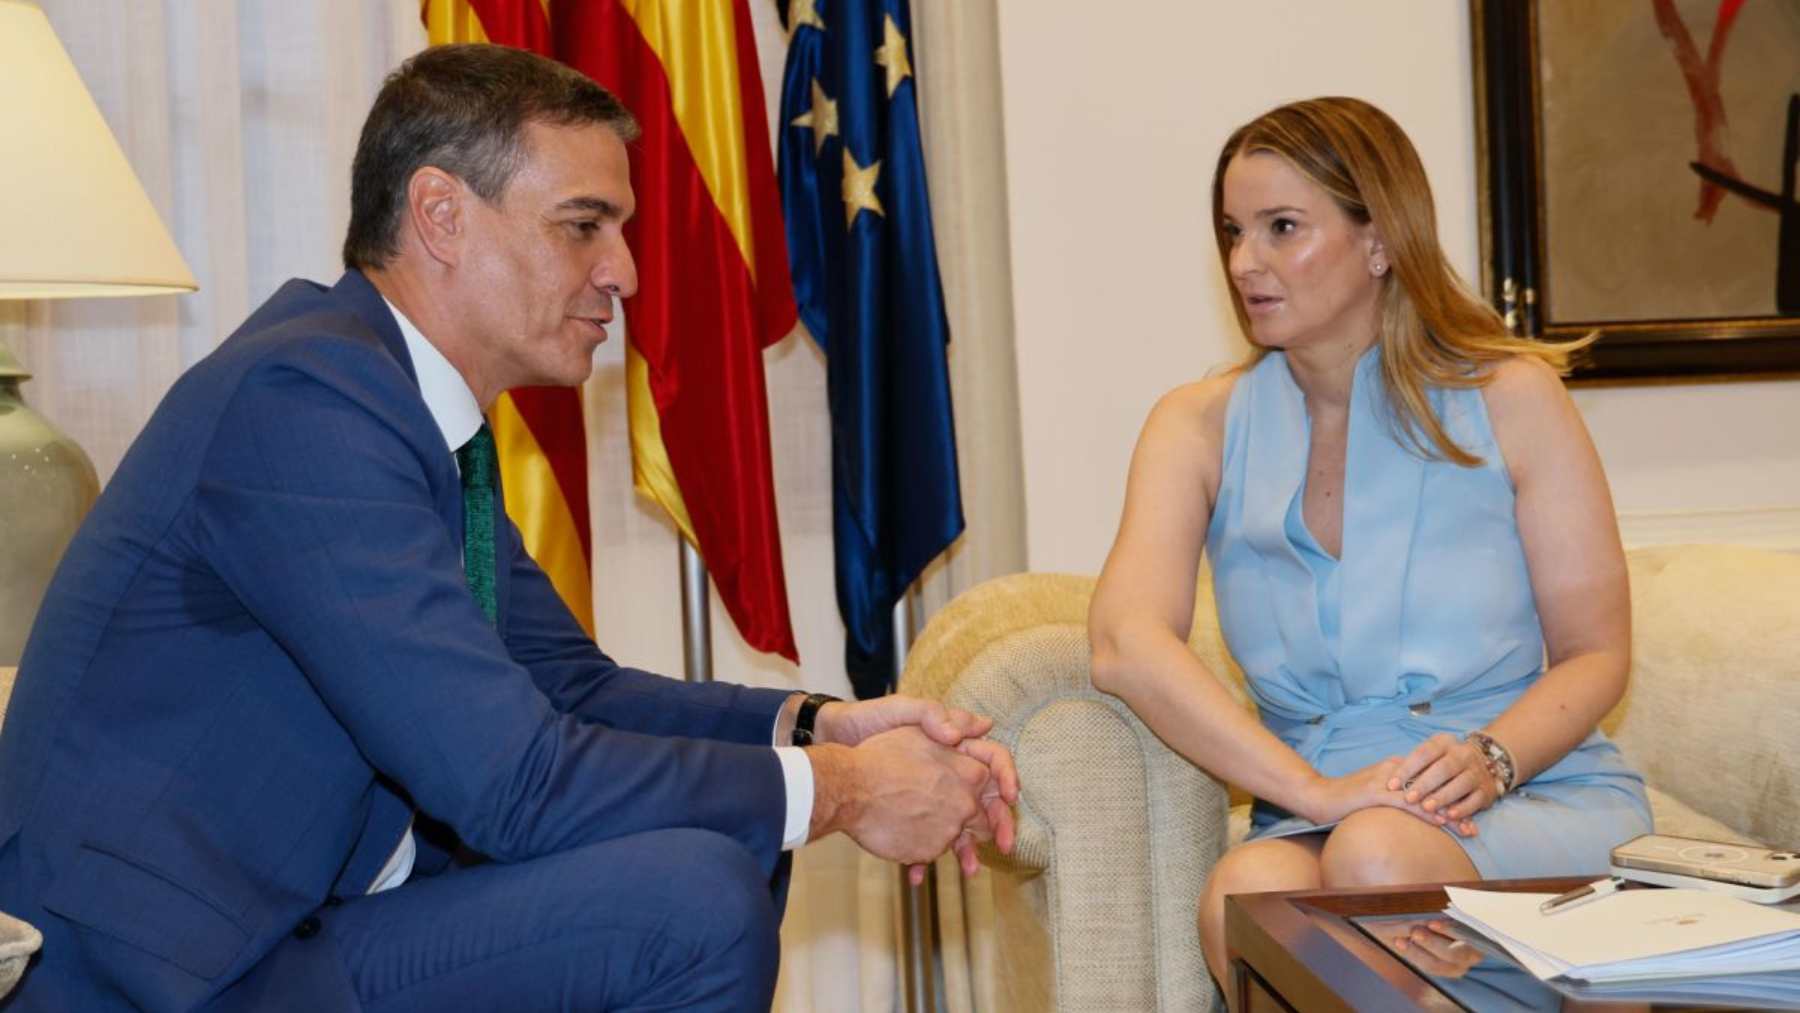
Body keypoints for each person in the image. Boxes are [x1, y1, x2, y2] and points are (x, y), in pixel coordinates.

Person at [0, 44, 1016, 1013]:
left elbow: (572, 688)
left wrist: (814, 726)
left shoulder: (405, 411)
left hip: (293, 927)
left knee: (726, 844)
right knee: (692, 895)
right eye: (583, 224)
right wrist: (841, 790)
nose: (624, 269)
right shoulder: (304, 401)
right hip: (170, 976)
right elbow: (511, 784)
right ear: (440, 213)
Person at [1085, 96, 1651, 992]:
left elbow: (1596, 653)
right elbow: (1125, 643)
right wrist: (1311, 793)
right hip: (1326, 801)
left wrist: (1489, 759)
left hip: (1518, 788)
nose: (1244, 262)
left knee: (1379, 856)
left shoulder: (1513, 397)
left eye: (1282, 228)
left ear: (1380, 240)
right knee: (1246, 889)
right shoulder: (1195, 425)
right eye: (1233, 231)